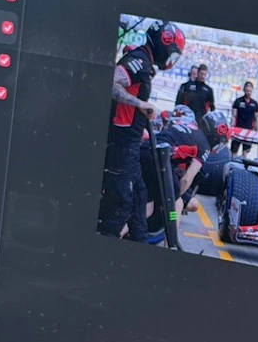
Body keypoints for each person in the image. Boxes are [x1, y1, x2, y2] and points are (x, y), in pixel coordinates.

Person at [98, 21, 185, 242]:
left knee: (139, 198)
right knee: (120, 204)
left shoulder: (144, 61)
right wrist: (140, 104)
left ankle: (140, 245)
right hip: (121, 146)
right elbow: (109, 82)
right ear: (165, 43)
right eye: (172, 52)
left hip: (131, 146)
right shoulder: (139, 61)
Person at [141, 107, 228, 242]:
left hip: (146, 152)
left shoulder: (189, 127)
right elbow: (187, 179)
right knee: (177, 203)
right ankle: (171, 243)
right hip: (158, 159)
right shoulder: (204, 146)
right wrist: (171, 199)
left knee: (147, 209)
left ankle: (120, 231)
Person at [176, 63, 215, 127]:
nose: (203, 76)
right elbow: (178, 102)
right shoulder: (187, 85)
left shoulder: (209, 90)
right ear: (198, 73)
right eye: (201, 74)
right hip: (187, 119)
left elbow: (212, 107)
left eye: (205, 74)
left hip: (200, 121)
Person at [230, 81, 258, 156]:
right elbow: (234, 116)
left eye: (250, 91)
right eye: (247, 91)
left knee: (245, 153)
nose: (248, 93)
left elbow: (256, 119)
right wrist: (232, 129)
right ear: (244, 90)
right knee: (233, 153)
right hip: (238, 130)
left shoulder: (255, 104)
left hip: (249, 131)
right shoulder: (238, 101)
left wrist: (256, 130)